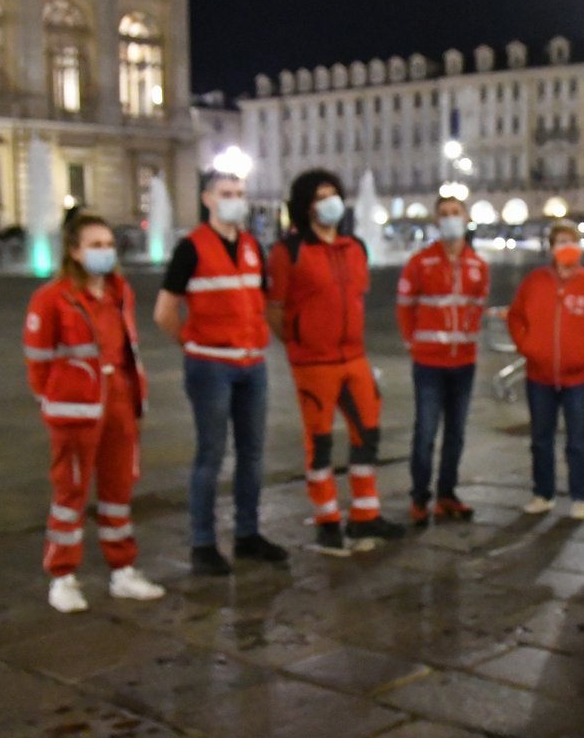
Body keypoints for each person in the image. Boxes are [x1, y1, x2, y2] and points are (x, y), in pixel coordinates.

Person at [23, 214, 165, 613]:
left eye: (108, 244)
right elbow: (38, 361)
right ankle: (63, 576)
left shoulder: (120, 291)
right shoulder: (52, 298)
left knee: (119, 491)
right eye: (95, 244)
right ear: (73, 251)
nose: (104, 251)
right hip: (74, 409)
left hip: (119, 401)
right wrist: (52, 401)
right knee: (70, 493)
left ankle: (123, 569)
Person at [267, 169, 407, 555]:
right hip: (315, 363)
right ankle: (327, 520)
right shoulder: (288, 251)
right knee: (321, 441)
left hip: (354, 358)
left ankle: (365, 515)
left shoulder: (354, 247)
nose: (328, 202)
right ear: (304, 206)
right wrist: (299, 341)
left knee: (368, 434)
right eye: (319, 196)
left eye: (333, 194)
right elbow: (274, 308)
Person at [155, 172, 287, 572]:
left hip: (251, 364)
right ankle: (203, 543)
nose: (235, 200)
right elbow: (164, 312)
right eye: (227, 194)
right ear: (208, 199)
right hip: (211, 365)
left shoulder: (251, 247)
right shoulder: (191, 248)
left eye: (240, 194)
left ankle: (247, 535)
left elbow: (259, 301)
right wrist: (194, 344)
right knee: (210, 455)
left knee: (251, 454)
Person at [507, 220, 584, 521]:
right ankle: (542, 493)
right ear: (551, 248)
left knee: (579, 440)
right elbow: (516, 317)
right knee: (541, 438)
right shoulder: (535, 282)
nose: (565, 246)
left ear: (580, 245)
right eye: (560, 241)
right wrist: (527, 346)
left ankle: (582, 495)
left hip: (580, 377)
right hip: (540, 375)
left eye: (571, 240)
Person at [397, 193, 489, 525]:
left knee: (456, 433)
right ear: (437, 221)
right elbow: (405, 306)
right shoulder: (420, 262)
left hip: (463, 362)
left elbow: (477, 307)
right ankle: (420, 496)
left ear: (465, 218)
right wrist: (412, 343)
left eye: (455, 213)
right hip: (430, 363)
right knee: (425, 430)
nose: (450, 218)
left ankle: (447, 494)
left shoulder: (478, 264)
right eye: (445, 213)